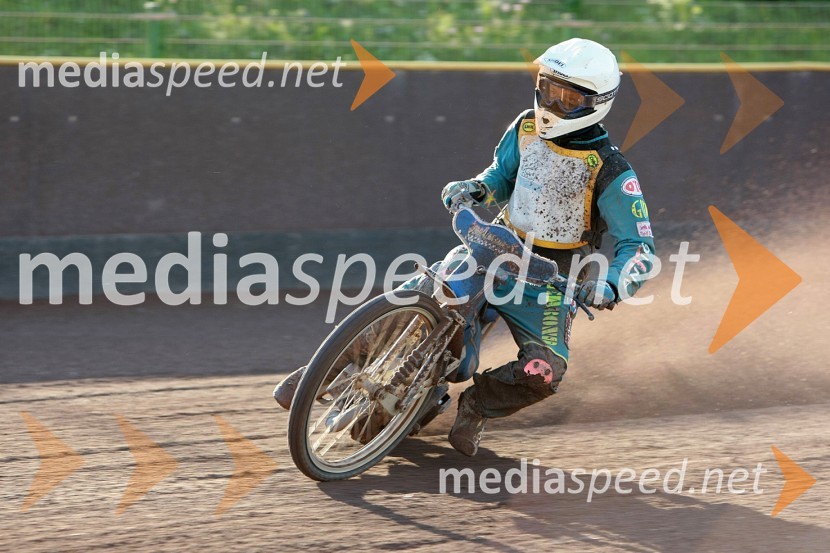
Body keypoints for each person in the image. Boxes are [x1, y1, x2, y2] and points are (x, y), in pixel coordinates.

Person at [275, 38, 656, 457]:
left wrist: (611, 285)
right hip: (495, 242)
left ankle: (476, 406)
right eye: (549, 89)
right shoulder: (526, 127)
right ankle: (323, 371)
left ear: (597, 102)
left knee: (544, 372)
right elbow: (499, 175)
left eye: (569, 97)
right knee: (423, 293)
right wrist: (475, 188)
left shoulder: (613, 171)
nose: (553, 103)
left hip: (549, 278)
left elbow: (639, 246)